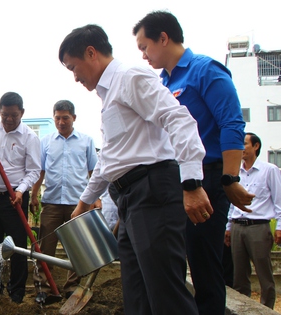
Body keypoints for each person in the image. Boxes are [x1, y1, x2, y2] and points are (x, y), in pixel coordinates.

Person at [61, 24, 212, 314]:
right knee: (136, 294)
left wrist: (192, 183)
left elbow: (178, 119)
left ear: (91, 53)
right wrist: (83, 202)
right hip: (130, 200)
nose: (75, 76)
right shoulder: (108, 97)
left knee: (165, 293)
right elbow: (110, 158)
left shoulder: (130, 77)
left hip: (153, 191)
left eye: (73, 67)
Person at [133, 11, 255, 314]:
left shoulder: (204, 71)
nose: (144, 55)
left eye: (145, 47)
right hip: (174, 181)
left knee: (204, 263)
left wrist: (230, 179)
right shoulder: (160, 83)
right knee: (174, 261)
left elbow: (231, 124)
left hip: (208, 179)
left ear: (163, 38)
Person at [30, 99, 98, 302]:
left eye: (65, 118)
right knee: (45, 248)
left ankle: (72, 288)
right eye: (57, 118)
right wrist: (34, 195)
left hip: (79, 203)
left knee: (78, 246)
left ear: (74, 118)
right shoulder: (46, 141)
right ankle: (43, 289)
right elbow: (40, 171)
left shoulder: (86, 141)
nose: (61, 122)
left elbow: (93, 172)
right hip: (51, 202)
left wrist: (96, 198)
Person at [0, 92, 41, 303]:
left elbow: (34, 170)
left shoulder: (30, 137)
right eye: (5, 115)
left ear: (22, 113)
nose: (8, 120)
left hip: (14, 198)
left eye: (14, 116)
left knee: (18, 248)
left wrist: (21, 190)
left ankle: (16, 294)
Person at [224, 132, 281, 309]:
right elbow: (233, 202)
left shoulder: (269, 170)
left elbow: (279, 200)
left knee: (264, 275)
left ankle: (266, 309)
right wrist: (228, 226)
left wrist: (279, 226)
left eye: (245, 144)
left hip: (258, 228)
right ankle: (242, 309)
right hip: (238, 227)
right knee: (239, 276)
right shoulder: (235, 173)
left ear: (256, 146)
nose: (241, 148)